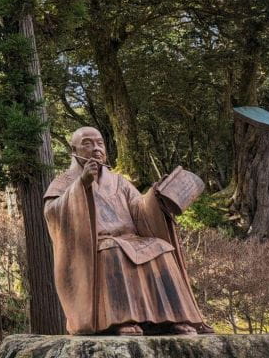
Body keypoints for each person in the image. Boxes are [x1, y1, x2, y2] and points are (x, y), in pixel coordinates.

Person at [43, 126, 212, 335]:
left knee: (162, 247)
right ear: (74, 149)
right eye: (87, 143)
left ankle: (173, 319)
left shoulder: (119, 182)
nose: (96, 148)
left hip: (130, 238)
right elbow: (53, 213)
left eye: (99, 143)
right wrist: (81, 185)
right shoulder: (63, 182)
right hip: (96, 244)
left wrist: (156, 196)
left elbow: (140, 210)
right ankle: (119, 320)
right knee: (113, 249)